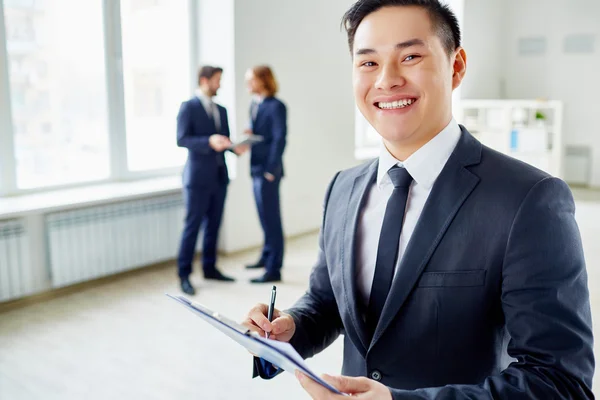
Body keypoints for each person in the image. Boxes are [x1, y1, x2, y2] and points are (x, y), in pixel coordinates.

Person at [243, 1, 594, 398]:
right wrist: (290, 327)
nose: (387, 80)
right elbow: (327, 301)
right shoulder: (343, 187)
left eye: (410, 56)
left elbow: (561, 381)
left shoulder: (528, 199)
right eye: (368, 63)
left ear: (457, 66)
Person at [176, 65, 247, 295]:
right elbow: (182, 139)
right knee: (192, 227)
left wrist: (235, 148)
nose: (220, 85)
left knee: (214, 225)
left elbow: (223, 141)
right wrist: (208, 141)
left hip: (219, 177)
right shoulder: (189, 107)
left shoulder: (221, 110)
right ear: (204, 81)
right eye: (217, 80)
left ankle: (210, 267)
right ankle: (184, 274)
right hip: (197, 178)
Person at [244, 66, 287, 284]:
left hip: (268, 172)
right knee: (263, 216)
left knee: (271, 219)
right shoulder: (255, 103)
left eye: (250, 80)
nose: (247, 84)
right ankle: (265, 256)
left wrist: (271, 169)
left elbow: (279, 139)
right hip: (255, 168)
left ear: (263, 80)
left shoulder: (276, 106)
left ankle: (274, 268)